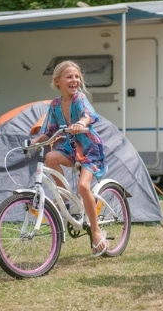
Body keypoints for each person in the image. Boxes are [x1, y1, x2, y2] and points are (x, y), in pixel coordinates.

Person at [31, 60, 109, 256]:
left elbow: (88, 114)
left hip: (89, 148)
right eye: (69, 77)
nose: (74, 80)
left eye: (77, 76)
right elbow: (49, 130)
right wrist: (38, 139)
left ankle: (96, 231)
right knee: (50, 157)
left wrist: (81, 123)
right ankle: (66, 200)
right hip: (71, 147)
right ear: (57, 81)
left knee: (84, 186)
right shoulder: (55, 104)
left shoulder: (79, 98)